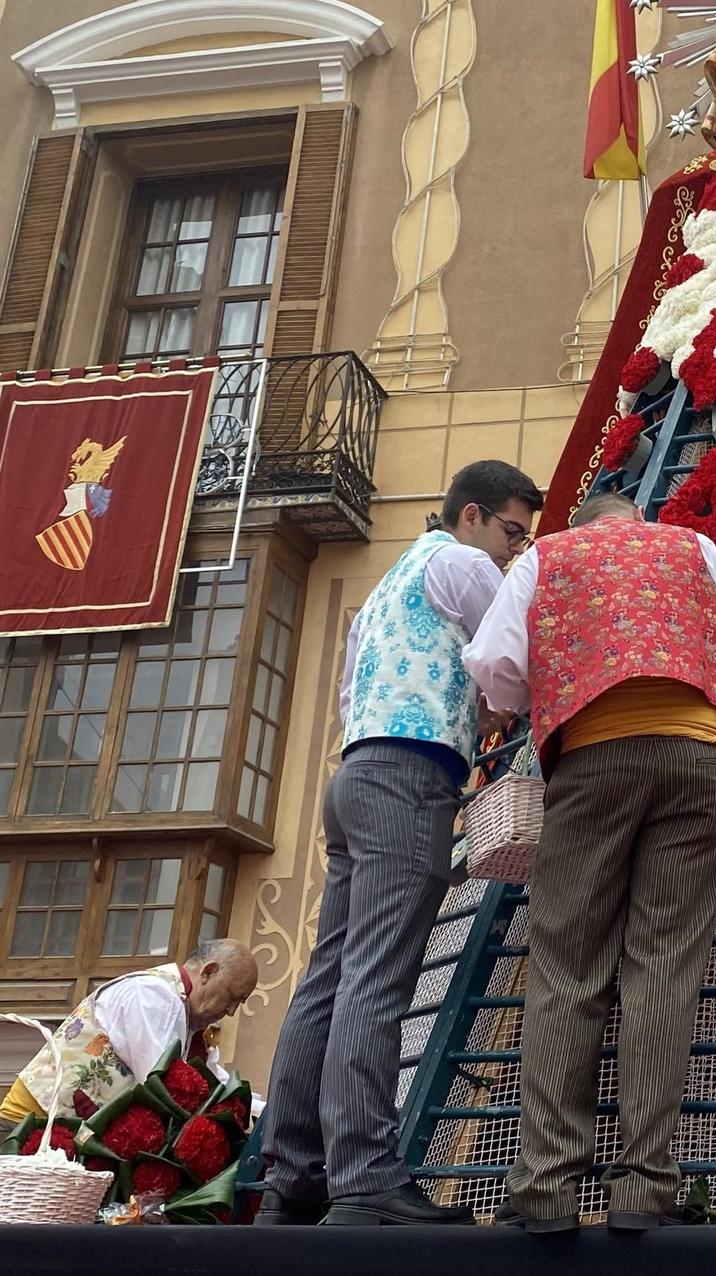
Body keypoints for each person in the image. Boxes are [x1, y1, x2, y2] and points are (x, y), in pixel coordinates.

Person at [463, 492, 716, 1234]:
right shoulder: (691, 548)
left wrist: (537, 692)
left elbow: (493, 662)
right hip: (697, 757)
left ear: (585, 529)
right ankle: (645, 1187)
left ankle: (547, 1186)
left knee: (568, 965)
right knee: (664, 966)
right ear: (637, 522)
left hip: (592, 762)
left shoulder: (545, 557)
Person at [256, 460, 544, 1227]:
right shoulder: (459, 562)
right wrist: (497, 704)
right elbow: (513, 646)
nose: (514, 552)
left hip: (353, 773)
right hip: (409, 777)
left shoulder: (389, 585)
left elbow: (361, 691)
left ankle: (291, 1171)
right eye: (512, 532)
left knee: (328, 976)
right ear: (474, 515)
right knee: (377, 981)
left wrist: (465, 703)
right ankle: (364, 1174)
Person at [0, 938, 257, 1146]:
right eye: (231, 996)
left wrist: (261, 1110)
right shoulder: (154, 995)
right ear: (208, 972)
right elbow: (159, 1080)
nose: (231, 1010)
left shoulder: (185, 1016)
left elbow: (215, 1082)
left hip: (64, 1131)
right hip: (32, 1123)